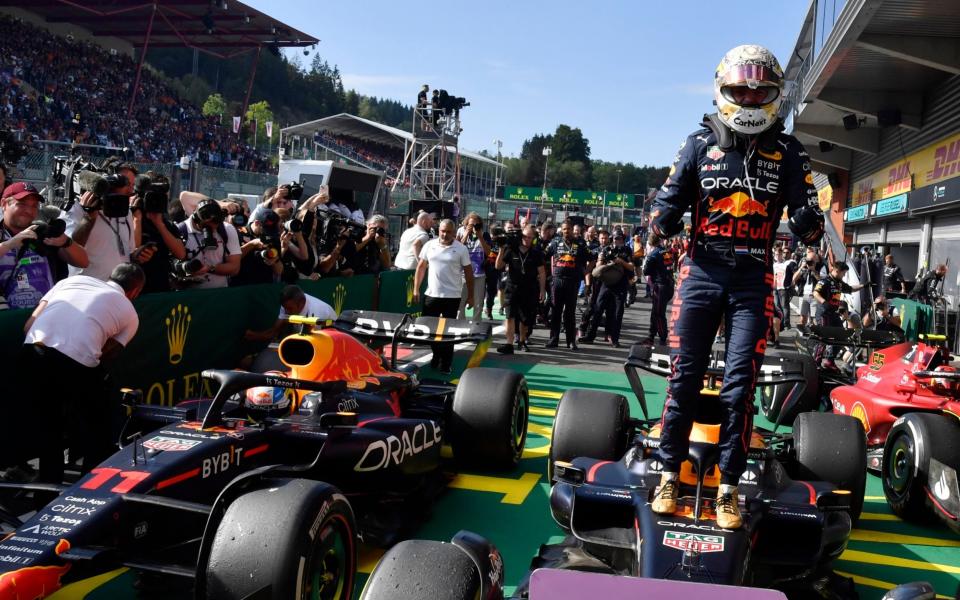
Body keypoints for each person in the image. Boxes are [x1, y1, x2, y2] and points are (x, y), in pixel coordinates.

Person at [647, 45, 824, 530]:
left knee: (739, 389)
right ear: (724, 90)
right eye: (740, 89)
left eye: (759, 90)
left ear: (773, 95)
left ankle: (728, 487)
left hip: (753, 279)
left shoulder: (789, 152)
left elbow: (809, 232)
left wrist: (811, 216)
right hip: (700, 274)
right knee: (684, 379)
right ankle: (667, 472)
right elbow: (664, 210)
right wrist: (662, 220)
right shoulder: (697, 145)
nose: (749, 98)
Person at [17, 263, 144, 483]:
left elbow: (29, 326)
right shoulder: (130, 313)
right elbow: (106, 354)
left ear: (109, 276)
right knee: (99, 427)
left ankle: (46, 493)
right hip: (75, 363)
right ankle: (88, 487)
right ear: (135, 291)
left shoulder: (69, 281)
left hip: (33, 351)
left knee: (49, 427)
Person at [0, 182, 88, 309]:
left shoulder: (43, 233)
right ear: (4, 204)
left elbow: (84, 262)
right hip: (5, 319)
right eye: (22, 204)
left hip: (43, 316)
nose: (29, 210)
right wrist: (9, 244)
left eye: (34, 206)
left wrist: (66, 242)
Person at [64, 163, 155, 281]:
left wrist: (136, 256)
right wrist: (89, 216)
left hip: (117, 289)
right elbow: (70, 250)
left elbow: (127, 252)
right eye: (125, 182)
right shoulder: (77, 209)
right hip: (86, 289)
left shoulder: (126, 211)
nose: (131, 190)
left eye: (132, 185)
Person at [413, 219, 473, 374]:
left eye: (448, 232)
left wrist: (471, 295)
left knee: (448, 332)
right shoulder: (429, 245)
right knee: (428, 330)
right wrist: (416, 289)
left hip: (452, 296)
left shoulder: (461, 249)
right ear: (438, 230)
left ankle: (446, 363)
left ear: (454, 232)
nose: (445, 234)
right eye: (442, 231)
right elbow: (421, 267)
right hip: (431, 294)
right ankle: (437, 354)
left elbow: (468, 272)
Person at [495, 224, 546, 354]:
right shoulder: (511, 249)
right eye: (525, 237)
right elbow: (498, 266)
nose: (527, 239)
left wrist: (542, 290)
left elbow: (542, 272)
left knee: (525, 319)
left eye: (530, 237)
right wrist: (501, 248)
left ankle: (522, 341)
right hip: (512, 288)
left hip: (529, 289)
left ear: (534, 238)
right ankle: (509, 344)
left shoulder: (536, 252)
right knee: (510, 316)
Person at [134, 174, 187, 294]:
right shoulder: (132, 218)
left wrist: (158, 223)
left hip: (160, 287)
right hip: (135, 288)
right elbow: (131, 247)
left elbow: (181, 253)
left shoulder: (168, 225)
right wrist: (137, 218)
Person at [544, 219, 592, 349]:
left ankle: (571, 341)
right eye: (564, 229)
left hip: (573, 282)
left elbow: (592, 258)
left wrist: (585, 273)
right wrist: (546, 274)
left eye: (569, 229)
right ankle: (553, 340)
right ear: (561, 230)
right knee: (555, 311)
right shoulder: (555, 242)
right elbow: (542, 257)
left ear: (572, 230)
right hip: (557, 281)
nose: (566, 231)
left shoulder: (580, 244)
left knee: (570, 313)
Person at [580, 231, 633, 347]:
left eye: (618, 238)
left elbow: (631, 266)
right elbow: (598, 268)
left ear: (623, 239)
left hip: (621, 284)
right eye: (614, 238)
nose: (616, 240)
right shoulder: (606, 249)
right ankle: (590, 336)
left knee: (617, 313)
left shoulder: (627, 250)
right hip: (606, 283)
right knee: (597, 309)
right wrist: (601, 259)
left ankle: (615, 339)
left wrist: (620, 261)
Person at [178, 198, 242, 288]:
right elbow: (184, 195)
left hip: (218, 294)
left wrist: (210, 268)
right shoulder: (181, 231)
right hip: (188, 295)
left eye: (216, 225)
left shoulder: (227, 229)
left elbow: (234, 268)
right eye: (207, 226)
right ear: (196, 218)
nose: (213, 230)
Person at [244, 284, 337, 343]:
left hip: (328, 341)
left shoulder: (318, 312)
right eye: (285, 308)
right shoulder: (287, 305)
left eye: (289, 309)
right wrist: (254, 335)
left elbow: (315, 343)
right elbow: (274, 331)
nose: (287, 312)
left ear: (301, 303)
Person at [813, 261, 864, 367]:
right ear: (837, 271)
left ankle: (830, 361)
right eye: (843, 273)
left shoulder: (839, 283)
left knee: (841, 336)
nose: (844, 275)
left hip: (834, 314)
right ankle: (816, 363)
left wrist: (864, 286)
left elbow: (850, 289)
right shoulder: (825, 281)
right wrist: (824, 302)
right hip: (824, 314)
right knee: (823, 338)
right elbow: (815, 293)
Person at [230, 207, 284, 286]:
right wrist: (252, 244)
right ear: (257, 223)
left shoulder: (273, 236)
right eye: (266, 229)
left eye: (271, 230)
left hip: (263, 287)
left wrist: (274, 261)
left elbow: (279, 271)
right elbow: (233, 259)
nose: (268, 233)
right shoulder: (238, 233)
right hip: (240, 285)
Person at [641, 233, 674, 346]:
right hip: (669, 285)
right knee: (655, 312)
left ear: (649, 243)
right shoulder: (666, 252)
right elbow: (670, 266)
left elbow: (645, 271)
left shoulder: (652, 255)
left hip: (660, 286)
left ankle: (663, 338)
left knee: (659, 313)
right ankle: (651, 336)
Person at [456, 212, 491, 319]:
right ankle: (460, 324)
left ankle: (476, 325)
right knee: (461, 301)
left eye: (476, 225)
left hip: (479, 273)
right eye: (471, 225)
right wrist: (466, 233)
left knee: (478, 302)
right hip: (463, 273)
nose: (474, 227)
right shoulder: (461, 232)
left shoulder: (484, 234)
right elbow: (456, 249)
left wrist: (480, 237)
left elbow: (489, 253)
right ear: (466, 224)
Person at [793, 248, 822, 332]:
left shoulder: (821, 267)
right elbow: (794, 279)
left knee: (814, 318)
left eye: (812, 260)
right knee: (803, 317)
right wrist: (801, 268)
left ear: (816, 260)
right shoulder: (803, 267)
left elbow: (822, 281)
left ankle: (815, 336)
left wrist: (813, 270)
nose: (810, 262)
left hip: (814, 295)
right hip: (804, 294)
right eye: (808, 260)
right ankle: (803, 334)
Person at [772, 246, 796, 330]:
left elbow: (794, 271)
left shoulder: (786, 263)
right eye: (776, 254)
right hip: (775, 288)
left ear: (781, 255)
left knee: (784, 306)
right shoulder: (774, 265)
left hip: (783, 288)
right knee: (777, 306)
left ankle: (786, 323)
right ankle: (780, 323)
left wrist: (792, 283)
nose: (777, 256)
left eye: (779, 254)